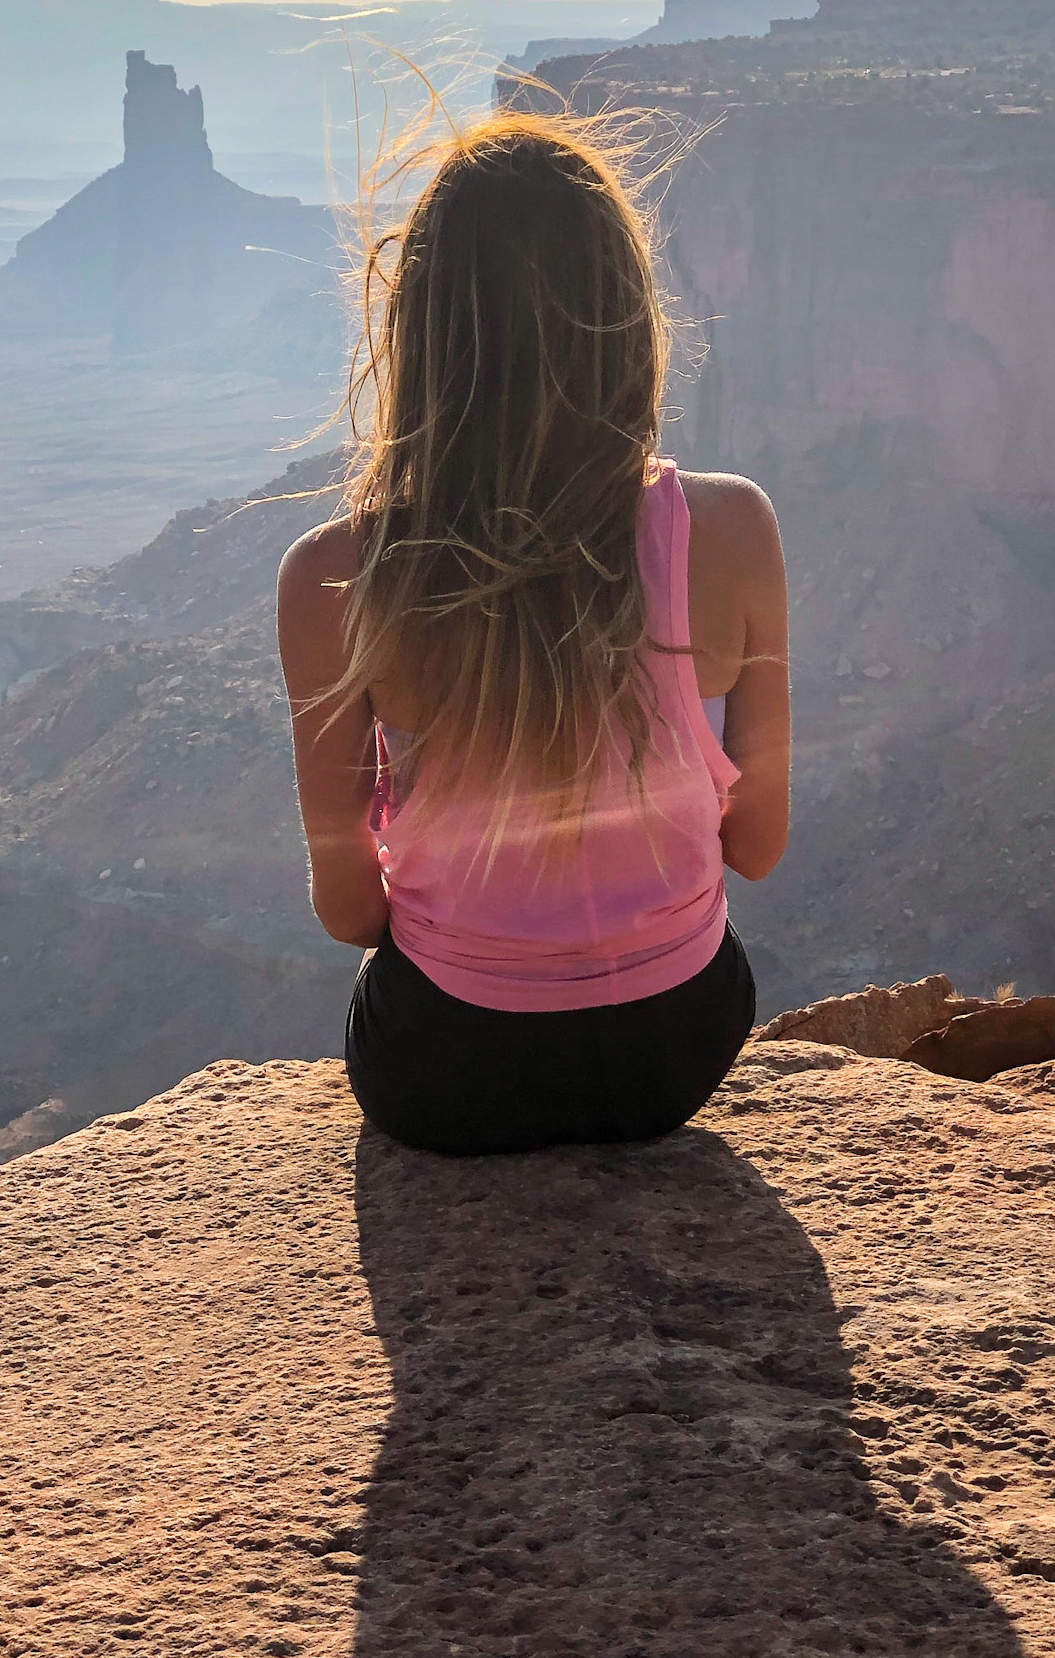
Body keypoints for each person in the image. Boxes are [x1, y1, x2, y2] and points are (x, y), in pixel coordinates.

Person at [277, 113, 790, 1155]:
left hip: (443, 1072)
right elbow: (758, 847)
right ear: (629, 319)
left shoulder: (334, 575)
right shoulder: (734, 527)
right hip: (676, 1050)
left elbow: (349, 910)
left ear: (417, 333)